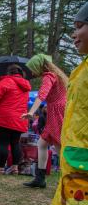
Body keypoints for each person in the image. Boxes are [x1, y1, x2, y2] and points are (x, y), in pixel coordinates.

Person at [48, 2, 88, 205]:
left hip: (82, 151)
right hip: (77, 151)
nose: (73, 34)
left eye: (80, 26)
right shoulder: (82, 68)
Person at [22, 54, 67, 188]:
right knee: (42, 144)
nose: (32, 72)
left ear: (39, 67)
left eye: (33, 68)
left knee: (60, 147)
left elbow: (42, 95)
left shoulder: (49, 76)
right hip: (57, 110)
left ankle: (67, 179)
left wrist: (31, 111)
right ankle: (40, 178)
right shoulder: (57, 75)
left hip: (56, 111)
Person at [0, 64, 31, 175]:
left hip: (3, 118)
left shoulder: (5, 82)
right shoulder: (25, 86)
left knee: (3, 144)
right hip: (20, 119)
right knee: (15, 143)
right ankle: (15, 168)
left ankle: (1, 168)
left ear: (9, 72)